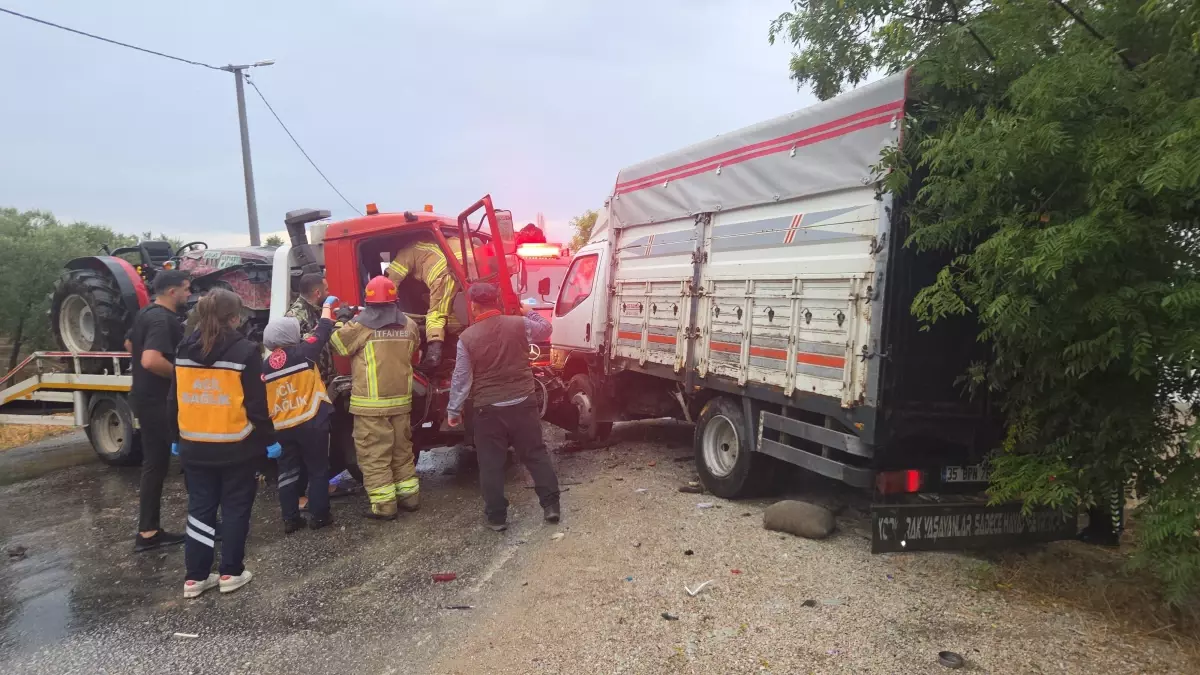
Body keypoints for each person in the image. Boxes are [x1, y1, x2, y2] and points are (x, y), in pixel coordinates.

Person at [170, 289, 277, 598]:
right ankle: (230, 572)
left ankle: (195, 578)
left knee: (199, 508)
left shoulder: (182, 349)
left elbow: (172, 399)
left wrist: (173, 437)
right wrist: (269, 441)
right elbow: (256, 405)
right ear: (234, 318)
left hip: (193, 444)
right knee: (234, 509)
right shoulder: (245, 351)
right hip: (236, 447)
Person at [447, 282, 560, 531]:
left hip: (488, 409)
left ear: (474, 306)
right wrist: (526, 311)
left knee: (490, 463)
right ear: (497, 302)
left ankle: (497, 518)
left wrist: (454, 410)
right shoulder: (518, 324)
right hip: (523, 403)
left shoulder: (467, 338)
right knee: (535, 454)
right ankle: (551, 506)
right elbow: (546, 328)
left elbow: (462, 378)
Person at [330, 276, 421, 520]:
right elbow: (414, 352)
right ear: (395, 300)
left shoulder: (360, 326)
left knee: (374, 455)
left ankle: (384, 506)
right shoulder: (410, 325)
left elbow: (338, 345)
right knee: (402, 452)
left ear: (368, 302)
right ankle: (410, 498)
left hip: (370, 407)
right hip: (401, 402)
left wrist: (343, 319)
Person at [262, 297, 338, 533]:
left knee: (288, 472)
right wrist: (327, 307)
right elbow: (323, 330)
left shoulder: (264, 366)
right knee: (317, 469)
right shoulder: (304, 352)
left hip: (282, 426)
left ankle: (290, 518)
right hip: (311, 420)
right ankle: (319, 516)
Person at [128, 269, 191, 553]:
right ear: (171, 291)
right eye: (186, 289)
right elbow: (151, 360)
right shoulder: (162, 319)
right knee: (191, 460)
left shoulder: (146, 313)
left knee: (154, 465)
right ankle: (203, 525)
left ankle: (148, 531)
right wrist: (182, 375)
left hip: (144, 398)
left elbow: (129, 343)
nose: (189, 294)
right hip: (160, 402)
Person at [384, 236, 461, 370]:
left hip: (442, 275)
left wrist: (385, 303)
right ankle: (456, 344)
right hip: (459, 272)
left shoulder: (405, 252)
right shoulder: (426, 243)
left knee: (437, 313)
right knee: (452, 312)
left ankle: (434, 354)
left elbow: (391, 281)